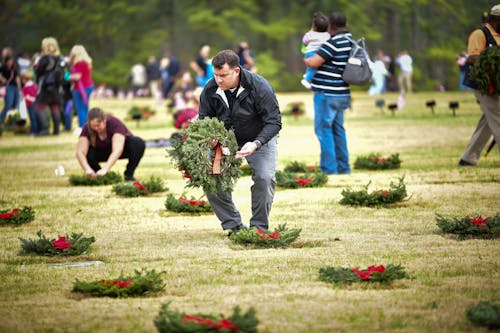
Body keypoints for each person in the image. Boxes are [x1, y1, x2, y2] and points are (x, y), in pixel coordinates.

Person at [198, 49, 281, 234]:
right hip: (225, 141)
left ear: (236, 71)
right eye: (215, 75)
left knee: (264, 178)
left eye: (223, 75)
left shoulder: (260, 86)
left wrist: (257, 143)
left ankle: (258, 227)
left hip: (260, 138)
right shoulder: (210, 89)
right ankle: (234, 226)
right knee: (211, 177)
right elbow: (204, 121)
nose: (218, 80)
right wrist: (218, 145)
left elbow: (274, 122)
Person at [304, 12, 352, 175]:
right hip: (342, 93)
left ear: (331, 25)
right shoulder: (350, 41)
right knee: (338, 129)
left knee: (323, 130)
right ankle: (343, 167)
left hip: (326, 93)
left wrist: (306, 53)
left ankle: (329, 169)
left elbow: (313, 62)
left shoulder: (333, 43)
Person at [459, 4, 500, 166]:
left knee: (488, 122)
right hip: (484, 85)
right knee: (497, 117)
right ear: (496, 19)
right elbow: (472, 57)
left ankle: (468, 158)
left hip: (497, 84)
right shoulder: (480, 33)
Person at [76, 107, 145, 182]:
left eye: (98, 125)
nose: (96, 128)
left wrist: (105, 169)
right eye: (93, 126)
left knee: (137, 143)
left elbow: (118, 150)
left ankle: (129, 175)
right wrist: (87, 169)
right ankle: (97, 175)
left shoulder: (114, 123)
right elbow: (80, 152)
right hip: (101, 152)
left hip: (121, 149)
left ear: (104, 120)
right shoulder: (87, 128)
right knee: (89, 153)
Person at [33, 37, 65, 135]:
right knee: (55, 107)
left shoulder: (44, 58)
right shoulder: (61, 58)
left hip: (45, 87)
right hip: (56, 88)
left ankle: (45, 129)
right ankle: (56, 130)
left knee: (39, 107)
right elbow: (65, 73)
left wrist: (36, 66)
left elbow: (38, 72)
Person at [301, 11, 330, 90]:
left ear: (314, 26)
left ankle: (307, 75)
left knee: (311, 68)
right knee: (314, 67)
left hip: (308, 52)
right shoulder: (327, 35)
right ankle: (306, 80)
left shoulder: (309, 34)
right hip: (315, 53)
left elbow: (304, 41)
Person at [69, 45, 94, 132]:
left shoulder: (80, 63)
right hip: (88, 86)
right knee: (85, 107)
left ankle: (82, 127)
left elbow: (77, 76)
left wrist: (66, 76)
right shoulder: (87, 62)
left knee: (80, 108)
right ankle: (87, 126)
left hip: (81, 88)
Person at [0, 54, 21, 130]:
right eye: (9, 61)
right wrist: (2, 79)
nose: (10, 62)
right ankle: (1, 121)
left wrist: (19, 88)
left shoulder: (14, 68)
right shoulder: (3, 68)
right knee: (8, 104)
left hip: (15, 87)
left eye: (11, 61)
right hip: (8, 87)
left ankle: (13, 124)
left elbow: (17, 77)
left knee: (15, 106)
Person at [21, 71, 38, 135]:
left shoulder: (26, 87)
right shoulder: (34, 85)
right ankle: (34, 130)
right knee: (33, 117)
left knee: (32, 118)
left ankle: (33, 131)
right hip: (34, 102)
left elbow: (26, 96)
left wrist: (30, 98)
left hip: (30, 103)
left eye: (23, 79)